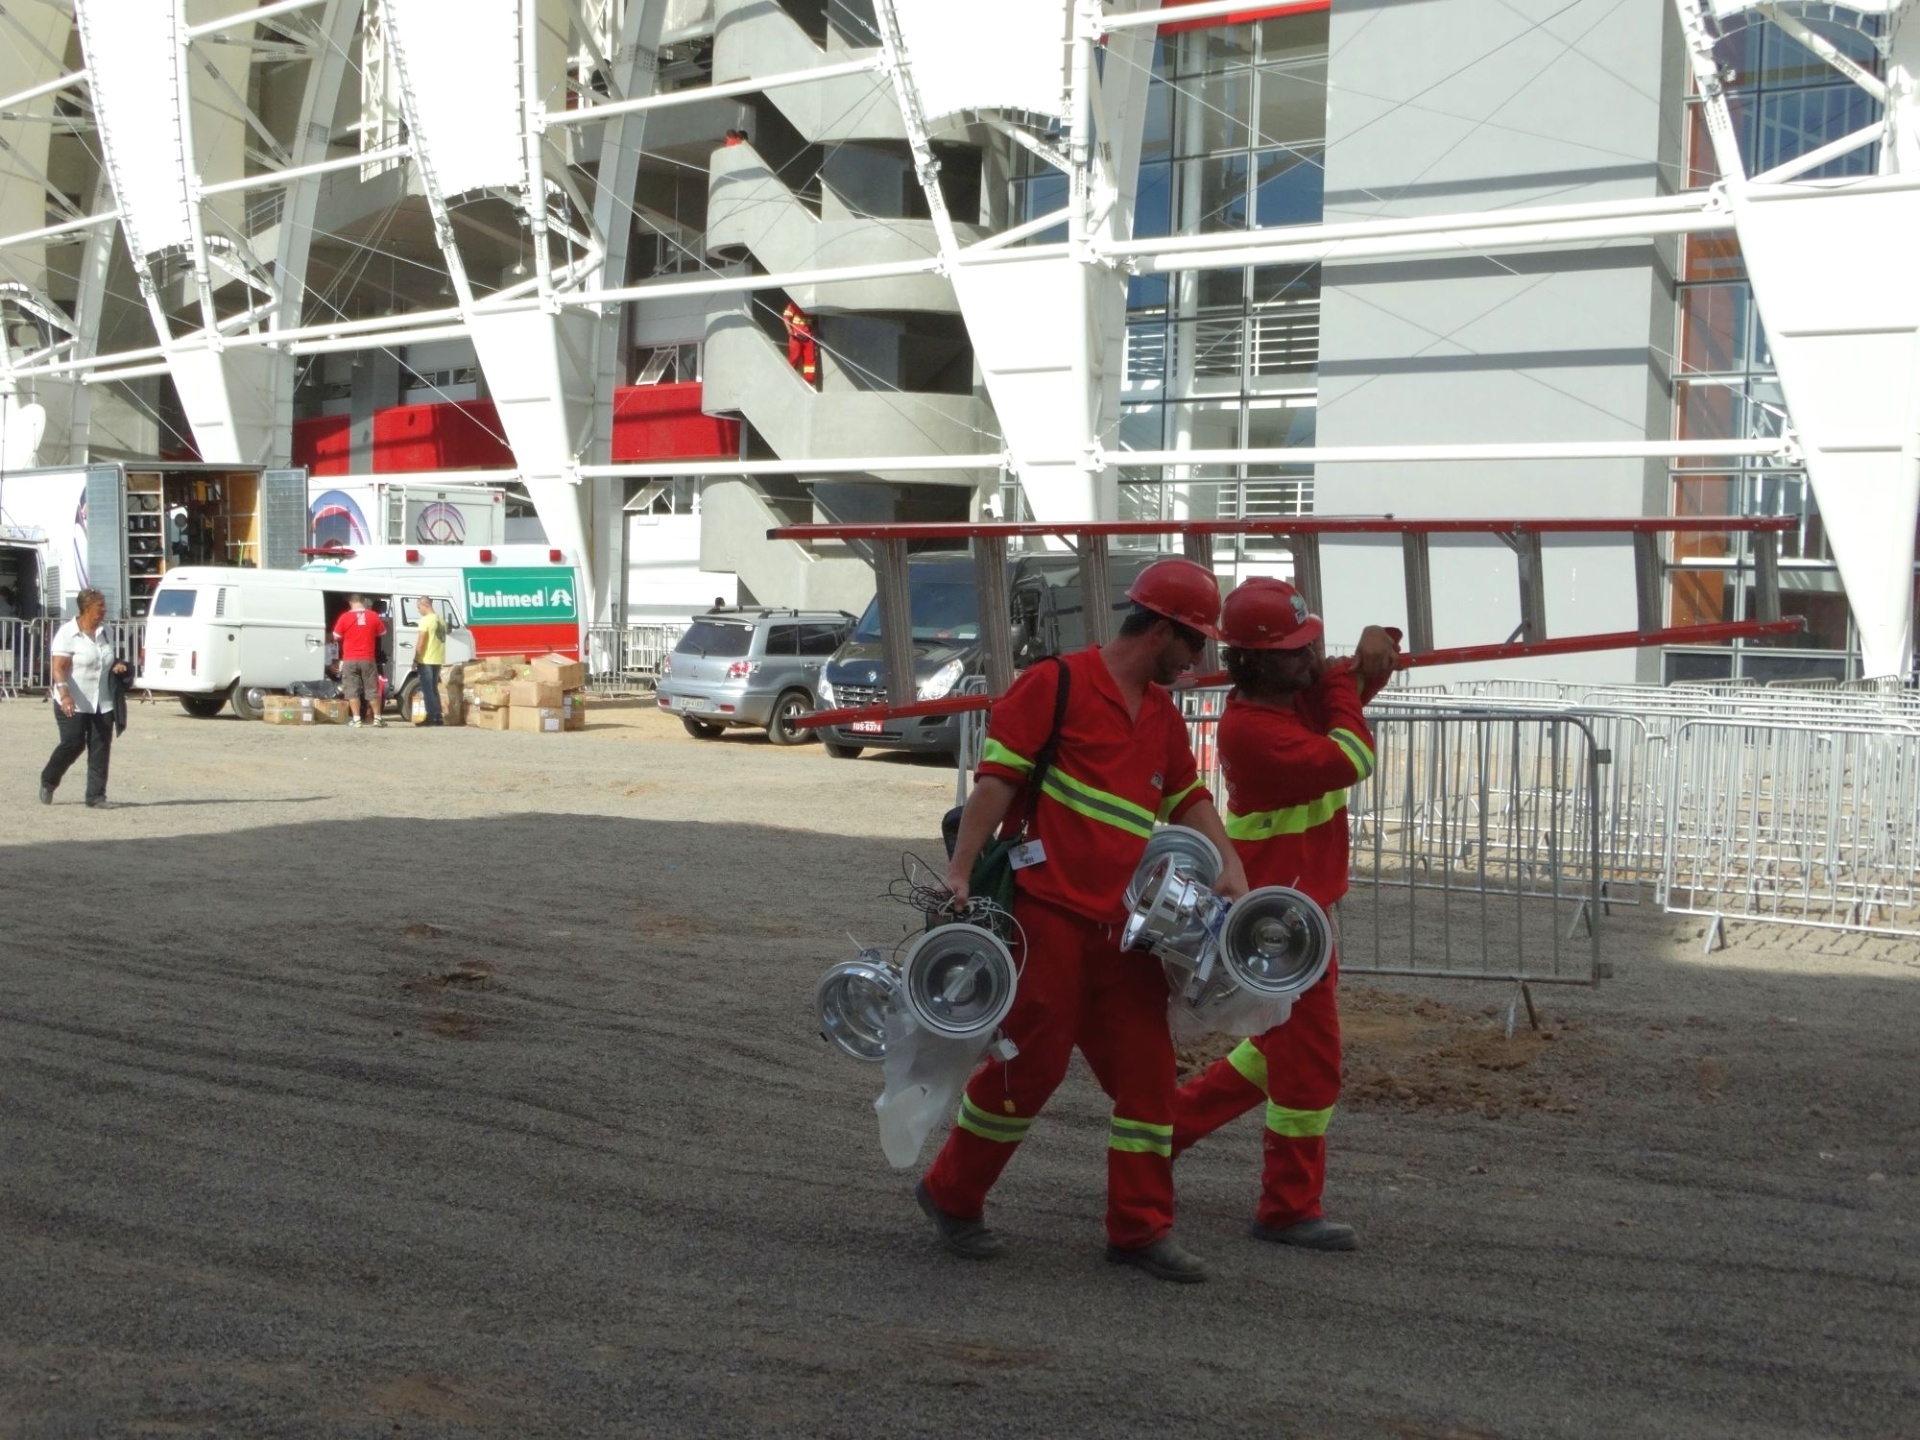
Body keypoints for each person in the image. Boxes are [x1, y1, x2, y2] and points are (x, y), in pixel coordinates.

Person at [917, 558, 1250, 1284]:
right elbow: (997, 784)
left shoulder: (1159, 716)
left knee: (1148, 1078)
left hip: (1122, 934)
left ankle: (1139, 1230)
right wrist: (961, 867)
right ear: (1161, 630)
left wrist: (1229, 859)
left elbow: (1187, 795)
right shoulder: (1056, 686)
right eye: (1193, 644)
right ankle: (951, 1193)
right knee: (1028, 1071)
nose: (1198, 662)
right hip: (1049, 920)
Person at [1171, 579, 1400, 1252]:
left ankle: (1167, 1131)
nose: (1311, 658)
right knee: (1309, 1067)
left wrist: (1369, 658)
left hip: (1295, 915)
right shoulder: (1252, 730)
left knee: (1277, 1054)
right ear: (1257, 661)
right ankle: (1287, 1207)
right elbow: (1351, 754)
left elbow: (1342, 703)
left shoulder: (1284, 699)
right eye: (1298, 650)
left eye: (1312, 647)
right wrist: (1341, 676)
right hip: (1279, 926)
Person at [39, 587, 128, 808]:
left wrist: (117, 665)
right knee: (73, 743)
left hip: (102, 701)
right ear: (86, 608)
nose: (104, 609)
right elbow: (59, 668)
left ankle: (96, 796)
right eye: (100, 606)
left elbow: (106, 660)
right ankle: (48, 780)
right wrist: (65, 695)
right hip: (74, 700)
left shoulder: (106, 630)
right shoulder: (67, 633)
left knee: (100, 747)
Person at [333, 594, 387, 729]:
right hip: (368, 658)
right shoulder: (373, 615)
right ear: (363, 602)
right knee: (372, 689)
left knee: (352, 690)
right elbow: (383, 632)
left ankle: (356, 719)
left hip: (350, 658)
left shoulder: (344, 617)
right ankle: (377, 719)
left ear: (351, 603)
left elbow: (336, 636)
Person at [414, 597, 447, 727]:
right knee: (434, 689)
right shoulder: (441, 620)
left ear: (424, 605)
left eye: (419, 607)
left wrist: (416, 658)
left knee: (427, 689)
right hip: (438, 658)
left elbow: (421, 640)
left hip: (426, 658)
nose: (418, 610)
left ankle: (431, 717)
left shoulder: (425, 620)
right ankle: (438, 716)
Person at [781, 300, 818, 387]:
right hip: (796, 336)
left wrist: (814, 333)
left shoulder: (811, 307)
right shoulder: (793, 305)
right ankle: (787, 378)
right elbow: (786, 317)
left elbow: (814, 322)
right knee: (794, 357)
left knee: (810, 360)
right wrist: (789, 330)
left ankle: (808, 381)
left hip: (808, 337)